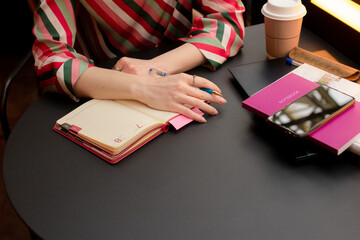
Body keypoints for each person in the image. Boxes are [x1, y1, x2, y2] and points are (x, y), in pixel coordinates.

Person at [32, 0, 245, 122]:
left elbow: (228, 21)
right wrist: (143, 86)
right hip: (108, 91)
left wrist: (155, 68)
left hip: (180, 77)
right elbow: (51, 58)